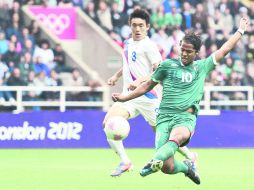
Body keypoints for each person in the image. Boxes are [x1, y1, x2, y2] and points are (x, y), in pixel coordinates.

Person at [112, 17, 249, 184]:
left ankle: (152, 161)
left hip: (186, 118)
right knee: (167, 167)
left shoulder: (202, 66)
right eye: (182, 49)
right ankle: (186, 167)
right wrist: (125, 97)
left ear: (196, 52)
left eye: (189, 51)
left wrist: (240, 31)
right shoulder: (167, 65)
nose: (184, 53)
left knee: (178, 136)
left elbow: (224, 49)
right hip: (164, 117)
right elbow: (147, 85)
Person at [103, 8, 197, 177]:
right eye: (134, 25)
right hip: (129, 97)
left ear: (147, 27)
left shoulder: (150, 46)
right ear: (130, 26)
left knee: (165, 138)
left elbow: (159, 70)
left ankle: (191, 157)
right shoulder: (128, 43)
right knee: (108, 124)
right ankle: (125, 162)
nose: (137, 29)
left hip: (148, 98)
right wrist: (116, 76)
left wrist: (139, 81)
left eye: (141, 25)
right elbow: (128, 64)